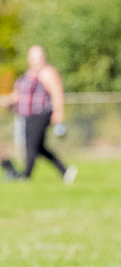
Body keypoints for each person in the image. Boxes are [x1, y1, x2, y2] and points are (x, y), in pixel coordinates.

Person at [0, 45, 77, 183]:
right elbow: (20, 95)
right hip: (27, 115)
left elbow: (57, 93)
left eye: (39, 57)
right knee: (39, 147)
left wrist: (59, 115)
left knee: (30, 145)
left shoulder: (47, 72)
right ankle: (65, 171)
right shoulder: (29, 73)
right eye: (33, 57)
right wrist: (5, 100)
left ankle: (26, 176)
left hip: (41, 113)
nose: (36, 60)